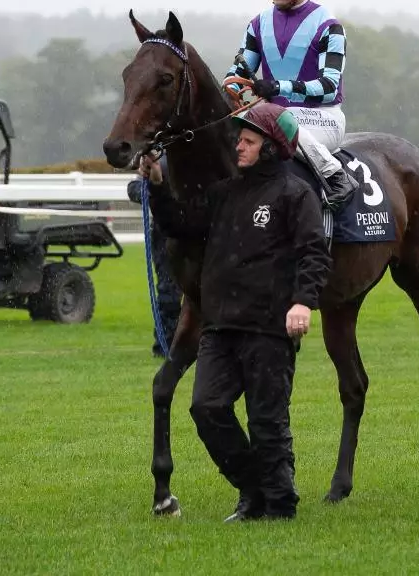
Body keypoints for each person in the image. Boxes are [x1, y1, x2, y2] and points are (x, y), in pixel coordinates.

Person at [141, 102, 331, 521]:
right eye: (239, 140)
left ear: (270, 148)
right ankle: (254, 490)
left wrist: (303, 302)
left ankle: (279, 507)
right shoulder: (224, 192)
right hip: (219, 328)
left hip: (268, 329)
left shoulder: (295, 195)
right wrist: (157, 186)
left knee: (267, 423)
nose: (238, 146)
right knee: (206, 408)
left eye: (248, 141)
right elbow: (181, 224)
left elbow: (314, 254)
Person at [224, 0, 359, 210]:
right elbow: (237, 72)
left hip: (322, 119)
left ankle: (335, 176)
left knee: (279, 117)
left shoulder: (329, 26)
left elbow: (329, 87)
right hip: (270, 119)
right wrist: (231, 87)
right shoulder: (257, 25)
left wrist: (278, 88)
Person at [126, 151, 182, 357]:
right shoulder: (159, 156)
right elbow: (134, 188)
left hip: (195, 231)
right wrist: (154, 190)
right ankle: (165, 345)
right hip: (164, 233)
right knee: (168, 293)